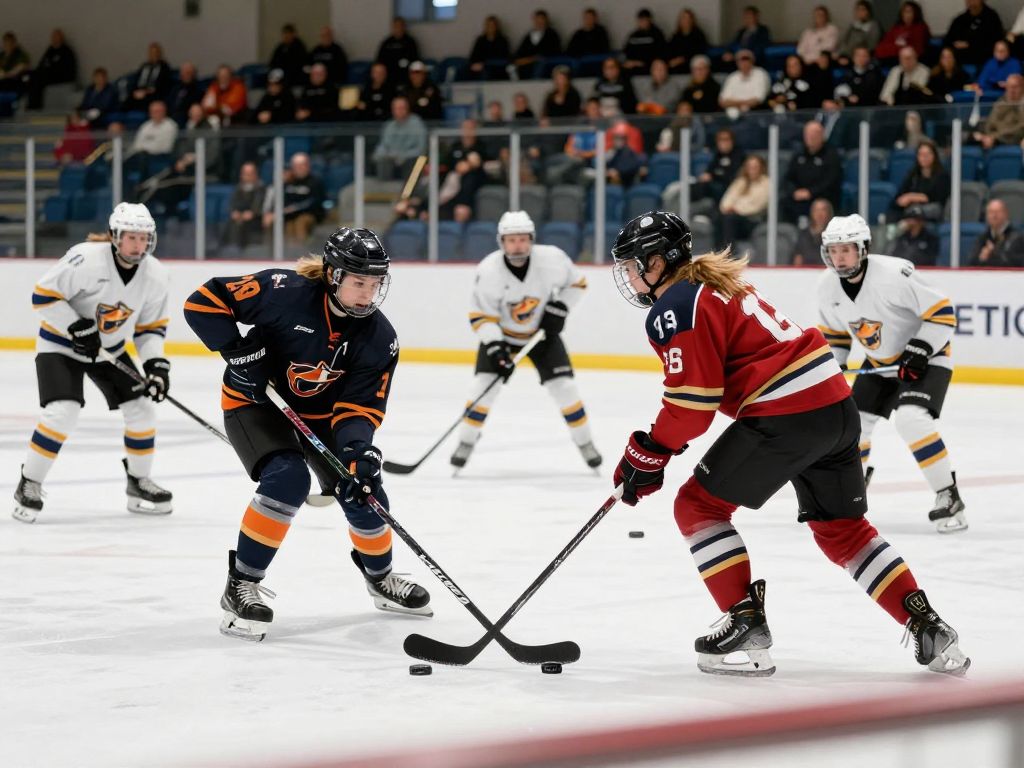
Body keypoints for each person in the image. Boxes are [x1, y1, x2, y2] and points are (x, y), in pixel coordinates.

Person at [609, 210, 969, 678]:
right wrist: (657, 450)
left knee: (697, 508)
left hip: (787, 412)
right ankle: (927, 625)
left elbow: (694, 402)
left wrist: (649, 450)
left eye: (636, 265)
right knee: (843, 529)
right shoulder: (717, 284)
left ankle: (745, 624)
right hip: (837, 406)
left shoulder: (677, 304)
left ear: (661, 261)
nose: (631, 277)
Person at [183, 228, 432, 641]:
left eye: (374, 285)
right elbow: (204, 302)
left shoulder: (379, 337)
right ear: (333, 276)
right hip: (256, 404)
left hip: (320, 417)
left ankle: (381, 578)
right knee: (288, 478)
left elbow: (359, 407)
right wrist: (237, 350)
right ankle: (241, 585)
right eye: (358, 283)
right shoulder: (283, 291)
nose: (367, 295)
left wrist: (358, 452)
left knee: (365, 488)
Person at [14, 203, 172, 523]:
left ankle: (138, 481)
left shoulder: (156, 274)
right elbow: (43, 297)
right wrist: (76, 326)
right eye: (131, 237)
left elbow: (149, 329)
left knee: (141, 408)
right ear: (115, 236)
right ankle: (29, 482)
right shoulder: (86, 257)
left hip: (109, 350)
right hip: (60, 346)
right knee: (63, 412)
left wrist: (156, 366)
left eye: (144, 238)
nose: (138, 245)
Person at [816, 214, 968, 534]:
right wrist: (835, 366)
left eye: (846, 249)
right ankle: (853, 490)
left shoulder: (894, 274)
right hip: (879, 361)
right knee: (852, 424)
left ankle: (948, 494)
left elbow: (942, 313)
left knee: (912, 420)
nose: (839, 257)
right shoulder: (827, 286)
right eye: (834, 250)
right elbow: (837, 336)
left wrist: (921, 347)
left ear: (863, 248)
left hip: (927, 358)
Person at [450, 211, 600, 471]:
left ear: (531, 239)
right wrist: (496, 348)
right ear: (501, 242)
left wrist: (561, 307)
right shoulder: (489, 270)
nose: (517, 245)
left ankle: (585, 442)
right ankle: (466, 441)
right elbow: (480, 315)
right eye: (511, 240)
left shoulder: (552, 259)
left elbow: (578, 284)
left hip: (542, 336)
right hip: (503, 337)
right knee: (482, 390)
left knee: (565, 389)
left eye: (522, 239)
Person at [782, 121, 842, 223]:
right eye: (808, 134)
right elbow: (789, 178)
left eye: (814, 134)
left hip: (822, 195)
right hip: (800, 196)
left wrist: (810, 192)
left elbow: (831, 180)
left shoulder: (831, 155)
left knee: (820, 205)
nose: (810, 137)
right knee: (783, 202)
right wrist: (794, 191)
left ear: (822, 136)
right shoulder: (799, 154)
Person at [261, 152, 325, 243]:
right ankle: (280, 253)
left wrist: (293, 209)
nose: (298, 168)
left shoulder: (315, 182)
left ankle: (301, 252)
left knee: (300, 222)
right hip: (289, 215)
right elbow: (280, 200)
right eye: (295, 166)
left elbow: (314, 202)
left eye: (301, 165)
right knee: (282, 223)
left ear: (307, 166)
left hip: (309, 214)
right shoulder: (289, 182)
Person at [888, 140, 949, 224]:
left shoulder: (942, 175)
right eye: (921, 154)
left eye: (927, 154)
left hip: (931, 210)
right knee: (893, 211)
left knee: (916, 212)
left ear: (934, 156)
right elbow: (901, 194)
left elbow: (939, 199)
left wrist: (913, 197)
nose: (924, 157)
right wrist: (903, 200)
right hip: (911, 208)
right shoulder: (913, 174)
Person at [716, 154, 769, 246]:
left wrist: (737, 210)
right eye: (749, 167)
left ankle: (728, 252)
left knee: (729, 219)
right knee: (718, 217)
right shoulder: (740, 181)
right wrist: (728, 208)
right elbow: (726, 200)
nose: (752, 170)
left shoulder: (766, 183)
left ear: (761, 168)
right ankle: (716, 251)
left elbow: (758, 206)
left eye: (755, 167)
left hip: (752, 219)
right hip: (734, 216)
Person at [372, 95, 427, 180]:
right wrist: (380, 154)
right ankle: (385, 187)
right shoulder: (389, 125)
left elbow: (421, 149)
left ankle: (408, 191)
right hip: (391, 160)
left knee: (414, 162)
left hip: (409, 160)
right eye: (396, 108)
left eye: (401, 108)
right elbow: (383, 145)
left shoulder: (416, 124)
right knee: (381, 159)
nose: (399, 111)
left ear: (407, 109)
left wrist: (402, 156)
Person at [943, 0, 1004, 69]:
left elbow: (996, 44)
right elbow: (947, 41)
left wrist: (969, 45)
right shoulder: (959, 20)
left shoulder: (992, 18)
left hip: (982, 62)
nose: (971, 2)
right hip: (957, 63)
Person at [26, 28, 77, 110]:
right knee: (30, 76)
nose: (54, 39)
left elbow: (66, 70)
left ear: (61, 38)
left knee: (38, 80)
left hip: (61, 77)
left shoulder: (66, 51)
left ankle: (35, 106)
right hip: (48, 75)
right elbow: (42, 64)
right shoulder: (50, 50)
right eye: (53, 37)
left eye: (56, 37)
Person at [971, 73, 1024, 147]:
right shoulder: (1001, 102)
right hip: (995, 139)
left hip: (1014, 140)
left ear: (1022, 87)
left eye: (1015, 87)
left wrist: (995, 137)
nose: (1012, 90)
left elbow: (1021, 128)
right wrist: (989, 136)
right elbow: (991, 122)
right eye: (1009, 87)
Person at [968, 198, 1024, 266]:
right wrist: (981, 258)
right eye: (991, 212)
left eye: (997, 212)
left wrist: (993, 255)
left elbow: (1014, 263)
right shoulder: (982, 238)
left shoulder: (1017, 238)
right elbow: (971, 262)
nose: (994, 215)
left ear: (1006, 214)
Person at [226, 162, 266, 249]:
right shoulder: (238, 188)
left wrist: (253, 212)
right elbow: (233, 203)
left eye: (249, 174)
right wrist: (234, 212)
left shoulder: (261, 188)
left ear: (255, 174)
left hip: (257, 220)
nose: (247, 176)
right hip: (240, 218)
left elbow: (259, 203)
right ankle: (230, 248)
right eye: (245, 173)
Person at [512, 10, 562, 80]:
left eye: (541, 19)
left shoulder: (552, 34)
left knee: (540, 62)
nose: (539, 22)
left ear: (546, 20)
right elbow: (521, 51)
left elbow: (555, 50)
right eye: (537, 19)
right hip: (529, 62)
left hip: (545, 61)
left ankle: (534, 83)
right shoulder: (529, 36)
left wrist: (537, 57)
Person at [122, 43, 172, 111]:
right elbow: (136, 79)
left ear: (159, 54)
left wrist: (146, 92)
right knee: (125, 102)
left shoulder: (164, 67)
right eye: (151, 53)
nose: (153, 55)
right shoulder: (144, 66)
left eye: (155, 53)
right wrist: (135, 91)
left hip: (153, 93)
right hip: (139, 91)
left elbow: (164, 85)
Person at [719, 49, 770, 114]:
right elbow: (723, 102)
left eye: (746, 59)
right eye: (741, 60)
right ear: (737, 62)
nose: (744, 62)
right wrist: (742, 104)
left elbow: (758, 100)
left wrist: (734, 103)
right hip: (731, 115)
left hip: (755, 113)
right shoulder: (732, 77)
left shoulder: (760, 74)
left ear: (753, 60)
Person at [836, 1, 882, 66]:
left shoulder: (874, 25)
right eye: (858, 10)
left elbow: (872, 45)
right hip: (847, 54)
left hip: (862, 56)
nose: (860, 12)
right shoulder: (852, 25)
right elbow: (843, 40)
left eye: (863, 10)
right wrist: (840, 54)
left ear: (868, 12)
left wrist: (856, 55)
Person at [623, 9, 666, 75]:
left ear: (649, 20)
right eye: (640, 20)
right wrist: (630, 62)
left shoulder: (657, 35)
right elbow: (627, 51)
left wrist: (640, 63)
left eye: (644, 20)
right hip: (633, 66)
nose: (642, 23)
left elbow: (660, 53)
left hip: (649, 66)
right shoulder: (634, 36)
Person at [791, 197, 833, 264]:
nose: (819, 214)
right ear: (812, 213)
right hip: (807, 272)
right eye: (816, 210)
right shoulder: (803, 235)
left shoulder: (834, 235)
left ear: (829, 212)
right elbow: (798, 259)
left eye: (823, 210)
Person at [376, 16, 420, 81]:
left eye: (400, 26)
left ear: (404, 27)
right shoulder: (387, 42)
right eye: (395, 26)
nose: (398, 28)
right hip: (388, 76)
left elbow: (415, 61)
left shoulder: (410, 42)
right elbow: (379, 60)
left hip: (406, 75)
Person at [666, 9, 708, 74]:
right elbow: (669, 50)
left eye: (688, 18)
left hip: (691, 65)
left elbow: (700, 53)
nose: (686, 21)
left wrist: (682, 59)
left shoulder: (698, 35)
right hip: (675, 66)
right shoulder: (676, 36)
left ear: (692, 20)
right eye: (683, 18)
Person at [166, 61, 203, 126]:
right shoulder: (175, 88)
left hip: (185, 117)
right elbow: (169, 102)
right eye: (184, 72)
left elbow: (194, 106)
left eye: (188, 73)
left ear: (193, 74)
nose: (186, 75)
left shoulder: (198, 89)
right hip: (170, 116)